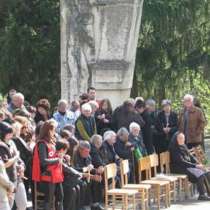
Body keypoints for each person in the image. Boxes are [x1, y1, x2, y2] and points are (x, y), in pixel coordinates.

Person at [32, 120, 64, 210]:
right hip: (47, 176)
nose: (55, 132)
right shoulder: (42, 143)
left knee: (60, 197)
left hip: (56, 174)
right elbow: (44, 161)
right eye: (54, 130)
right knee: (49, 200)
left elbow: (53, 156)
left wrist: (62, 157)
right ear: (49, 130)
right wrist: (58, 159)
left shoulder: (52, 142)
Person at [169, 132, 210, 201]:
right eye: (180, 138)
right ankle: (202, 195)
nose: (183, 140)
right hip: (179, 168)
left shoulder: (183, 145)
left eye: (183, 138)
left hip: (187, 166)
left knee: (206, 172)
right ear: (176, 139)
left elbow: (190, 156)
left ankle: (208, 192)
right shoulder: (174, 148)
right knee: (200, 174)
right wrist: (196, 166)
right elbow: (181, 162)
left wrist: (198, 163)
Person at [0, 122, 27, 210]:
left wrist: (21, 165)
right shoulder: (1, 146)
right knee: (9, 206)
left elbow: (19, 159)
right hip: (7, 181)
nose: (10, 135)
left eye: (10, 133)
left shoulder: (11, 142)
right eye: (8, 133)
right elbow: (5, 163)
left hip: (17, 177)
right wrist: (15, 157)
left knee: (23, 204)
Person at [73, 141, 104, 210]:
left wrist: (96, 170)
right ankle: (84, 205)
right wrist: (86, 169)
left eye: (88, 152)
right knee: (85, 183)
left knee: (97, 180)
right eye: (86, 151)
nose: (88, 154)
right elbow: (75, 170)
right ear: (80, 150)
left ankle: (95, 203)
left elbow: (91, 168)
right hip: (78, 176)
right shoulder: (74, 156)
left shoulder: (88, 156)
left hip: (87, 175)